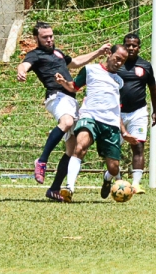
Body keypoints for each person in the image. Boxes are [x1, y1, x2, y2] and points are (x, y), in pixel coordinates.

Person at [17, 21, 110, 201]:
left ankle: (54, 189)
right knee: (66, 122)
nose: (49, 40)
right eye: (45, 37)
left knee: (73, 149)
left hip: (71, 100)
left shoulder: (58, 53)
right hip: (56, 96)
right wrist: (21, 72)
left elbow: (75, 62)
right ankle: (42, 160)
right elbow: (24, 65)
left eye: (51, 36)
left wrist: (98, 52)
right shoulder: (35, 54)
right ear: (37, 38)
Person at [55, 45, 138, 203]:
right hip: (90, 117)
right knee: (80, 148)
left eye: (123, 61)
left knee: (113, 167)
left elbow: (117, 110)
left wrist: (124, 132)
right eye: (117, 58)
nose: (119, 63)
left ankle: (107, 179)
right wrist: (63, 82)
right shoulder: (90, 70)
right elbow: (74, 87)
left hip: (110, 124)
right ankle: (69, 188)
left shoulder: (119, 82)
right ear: (109, 54)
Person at [117, 33, 156, 194]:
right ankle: (117, 180)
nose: (131, 48)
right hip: (117, 114)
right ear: (123, 46)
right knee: (113, 148)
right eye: (127, 45)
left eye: (134, 45)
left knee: (138, 146)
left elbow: (153, 89)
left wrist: (155, 111)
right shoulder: (116, 64)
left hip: (138, 112)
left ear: (139, 47)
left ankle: (135, 184)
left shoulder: (145, 65)